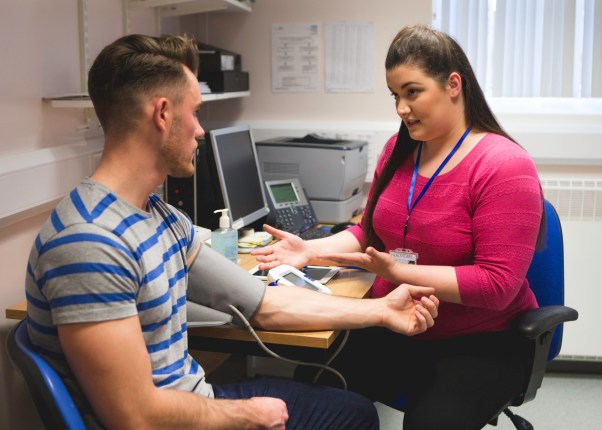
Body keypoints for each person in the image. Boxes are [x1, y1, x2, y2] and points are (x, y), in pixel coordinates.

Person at [24, 33, 440, 430]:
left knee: (351, 410)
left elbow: (261, 304)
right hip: (163, 419)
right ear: (163, 113)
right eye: (196, 113)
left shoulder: (161, 217)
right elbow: (135, 418)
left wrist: (382, 311)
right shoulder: (89, 243)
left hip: (191, 400)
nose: (201, 130)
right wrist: (249, 416)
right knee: (353, 417)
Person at [252, 24, 544, 430]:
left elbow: (498, 285)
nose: (401, 108)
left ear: (453, 85)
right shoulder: (398, 149)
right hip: (397, 322)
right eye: (395, 95)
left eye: (412, 92)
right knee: (313, 394)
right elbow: (370, 233)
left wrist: (397, 272)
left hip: (481, 340)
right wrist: (310, 250)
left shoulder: (504, 166)